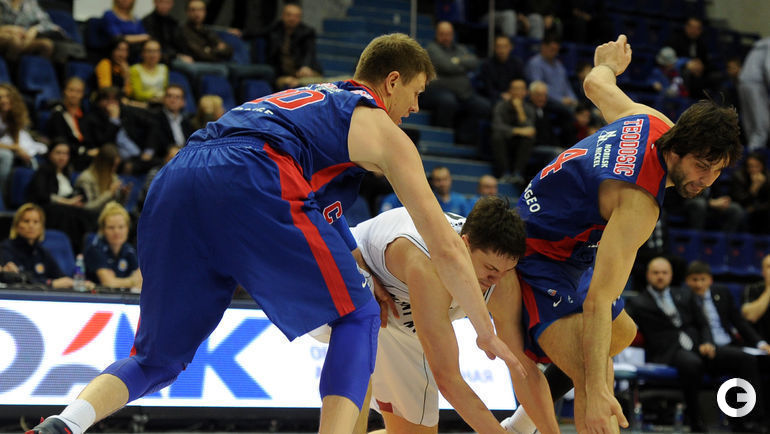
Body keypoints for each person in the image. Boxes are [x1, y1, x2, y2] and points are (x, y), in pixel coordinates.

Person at [29, 33, 520, 434]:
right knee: (359, 316)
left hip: (179, 176)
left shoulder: (308, 100)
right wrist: (485, 330)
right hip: (253, 172)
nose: (414, 107)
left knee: (157, 359)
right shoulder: (379, 126)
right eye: (416, 93)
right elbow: (445, 244)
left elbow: (323, 217)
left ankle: (65, 423)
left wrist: (360, 268)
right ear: (392, 81)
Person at [512, 34, 741, 433]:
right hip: (538, 251)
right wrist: (599, 389)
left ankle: (517, 426)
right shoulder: (640, 204)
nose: (707, 180)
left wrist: (609, 65)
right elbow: (599, 301)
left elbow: (595, 84)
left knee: (622, 333)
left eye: (717, 170)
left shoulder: (652, 121)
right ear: (677, 151)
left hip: (568, 240)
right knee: (594, 379)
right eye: (702, 166)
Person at [349, 197, 558, 434]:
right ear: (464, 245)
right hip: (349, 275)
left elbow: (523, 369)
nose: (495, 280)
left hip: (400, 316)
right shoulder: (427, 266)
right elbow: (448, 378)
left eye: (506, 270)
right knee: (356, 363)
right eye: (490, 269)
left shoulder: (501, 279)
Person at [627, 258, 765, 432]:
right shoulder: (638, 302)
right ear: (648, 275)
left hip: (699, 347)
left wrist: (707, 342)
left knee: (745, 359)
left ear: (671, 275)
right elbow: (624, 325)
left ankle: (750, 419)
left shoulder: (684, 295)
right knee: (692, 364)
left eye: (664, 273)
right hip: (669, 352)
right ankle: (695, 420)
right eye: (656, 273)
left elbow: (702, 323)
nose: (660, 276)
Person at [421, 21, 491, 146]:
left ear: (453, 35)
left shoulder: (460, 48)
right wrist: (462, 64)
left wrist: (456, 61)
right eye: (442, 34)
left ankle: (463, 137)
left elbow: (474, 62)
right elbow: (447, 66)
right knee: (448, 102)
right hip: (439, 90)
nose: (445, 37)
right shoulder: (431, 49)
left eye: (448, 34)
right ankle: (442, 139)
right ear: (436, 34)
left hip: (464, 93)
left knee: (484, 107)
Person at [26, 140, 95, 254]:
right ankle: (72, 249)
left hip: (64, 208)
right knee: (67, 213)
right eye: (58, 153)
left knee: (86, 213)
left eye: (65, 153)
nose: (62, 157)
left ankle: (87, 250)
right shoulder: (44, 170)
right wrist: (67, 202)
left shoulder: (66, 173)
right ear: (50, 154)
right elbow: (41, 194)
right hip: (46, 208)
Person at [0, 203, 88, 289]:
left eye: (36, 222)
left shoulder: (41, 251)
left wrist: (78, 283)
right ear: (17, 225)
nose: (31, 226)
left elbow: (60, 276)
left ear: (41, 227)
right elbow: (18, 278)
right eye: (26, 221)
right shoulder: (6, 248)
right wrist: (50, 283)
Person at [84, 201, 142, 290]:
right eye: (111, 227)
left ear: (127, 228)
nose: (116, 232)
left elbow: (141, 280)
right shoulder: (95, 249)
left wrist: (118, 281)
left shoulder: (128, 249)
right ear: (103, 229)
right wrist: (132, 281)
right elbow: (108, 283)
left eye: (121, 227)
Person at [0, 83, 46, 192]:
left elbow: (15, 138)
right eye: (0, 97)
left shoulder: (14, 115)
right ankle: (2, 194)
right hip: (4, 148)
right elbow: (14, 146)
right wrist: (14, 148)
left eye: (7, 96)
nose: (4, 100)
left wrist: (19, 149)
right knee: (6, 156)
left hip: (5, 145)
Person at [267, 2, 323, 90]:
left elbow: (309, 52)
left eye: (296, 16)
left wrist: (305, 66)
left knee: (316, 83)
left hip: (303, 71)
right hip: (281, 74)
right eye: (289, 15)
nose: (292, 19)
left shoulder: (307, 32)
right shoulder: (274, 30)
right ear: (283, 16)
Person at [490, 78, 536, 183]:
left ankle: (518, 173)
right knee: (497, 136)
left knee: (529, 139)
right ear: (509, 91)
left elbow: (530, 130)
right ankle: (504, 172)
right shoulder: (500, 106)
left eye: (521, 89)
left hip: (519, 143)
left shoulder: (529, 109)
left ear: (526, 92)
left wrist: (519, 110)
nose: (518, 92)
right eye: (515, 89)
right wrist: (517, 131)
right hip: (504, 140)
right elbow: (497, 126)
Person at [74, 144, 129, 213]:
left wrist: (123, 196)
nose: (114, 169)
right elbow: (86, 208)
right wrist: (109, 193)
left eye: (116, 166)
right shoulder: (85, 179)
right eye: (112, 166)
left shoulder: (113, 177)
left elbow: (116, 208)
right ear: (103, 164)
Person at [46, 77, 88, 167]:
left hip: (85, 154)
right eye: (71, 90)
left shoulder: (85, 114)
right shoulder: (58, 114)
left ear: (82, 94)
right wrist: (84, 151)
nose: (74, 95)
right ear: (64, 91)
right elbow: (60, 140)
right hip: (69, 156)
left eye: (78, 91)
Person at [739, 37, 770, 151]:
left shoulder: (763, 42)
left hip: (743, 82)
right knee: (762, 126)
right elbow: (768, 67)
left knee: (750, 124)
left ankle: (750, 151)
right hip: (756, 84)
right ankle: (754, 155)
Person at [477, 35, 525, 105]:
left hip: (514, 95)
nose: (502, 50)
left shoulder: (517, 63)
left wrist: (513, 93)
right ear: (494, 48)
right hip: (495, 97)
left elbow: (521, 82)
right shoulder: (487, 65)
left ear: (511, 47)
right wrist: (501, 95)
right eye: (498, 46)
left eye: (505, 46)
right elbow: (488, 88)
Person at [128, 38, 168, 105]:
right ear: (142, 53)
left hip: (161, 104)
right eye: (149, 51)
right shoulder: (135, 69)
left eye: (156, 51)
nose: (153, 55)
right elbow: (138, 94)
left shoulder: (163, 68)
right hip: (142, 105)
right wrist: (155, 96)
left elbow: (165, 90)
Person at [743, 254, 770, 342]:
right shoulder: (753, 289)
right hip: (761, 344)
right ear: (763, 272)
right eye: (769, 267)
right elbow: (751, 316)